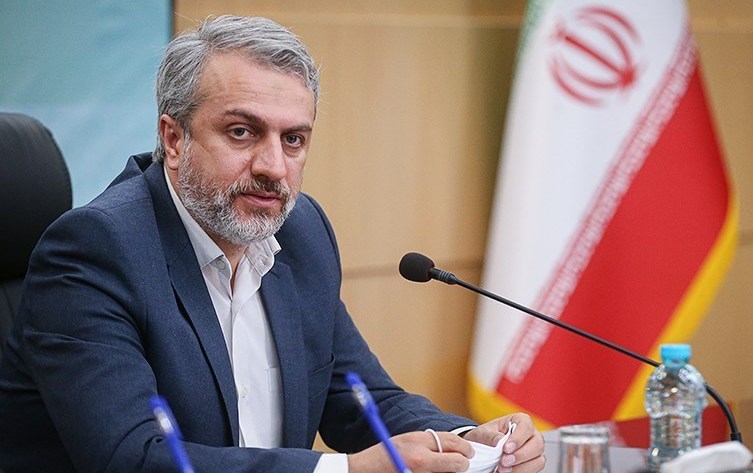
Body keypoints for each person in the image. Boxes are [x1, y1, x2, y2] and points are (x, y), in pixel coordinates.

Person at [0, 15, 545, 473]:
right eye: (242, 132)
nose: (273, 167)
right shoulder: (95, 251)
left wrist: (468, 439)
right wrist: (348, 470)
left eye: (294, 139)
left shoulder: (300, 231)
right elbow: (136, 458)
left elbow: (358, 396)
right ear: (173, 139)